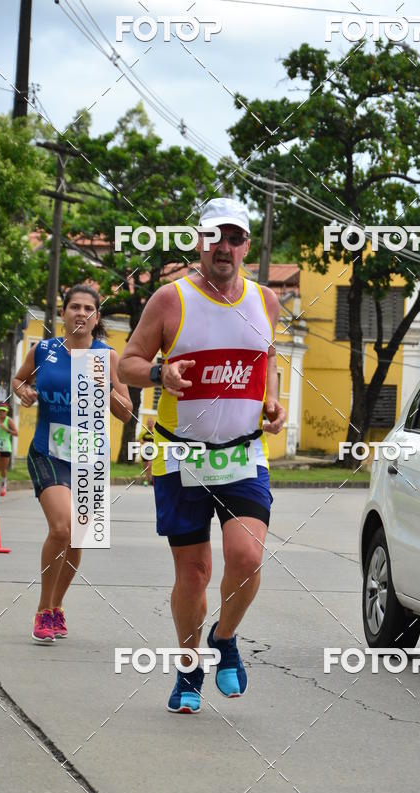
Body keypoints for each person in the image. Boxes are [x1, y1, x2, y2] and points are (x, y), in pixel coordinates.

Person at [119, 198, 286, 714]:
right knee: (193, 572)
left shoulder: (266, 302)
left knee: (248, 557)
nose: (226, 248)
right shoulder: (171, 300)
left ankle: (226, 636)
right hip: (180, 454)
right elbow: (125, 363)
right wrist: (157, 374)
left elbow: (268, 360)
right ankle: (188, 669)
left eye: (236, 239)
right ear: (200, 241)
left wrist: (272, 399)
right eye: (217, 237)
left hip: (240, 455)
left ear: (245, 247)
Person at [13, 284, 133, 643]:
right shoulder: (44, 351)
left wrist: (109, 392)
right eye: (74, 307)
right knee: (63, 528)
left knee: (79, 539)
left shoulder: (108, 357)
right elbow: (19, 381)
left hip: (89, 457)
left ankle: (56, 606)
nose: (81, 313)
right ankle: (42, 609)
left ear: (97, 318)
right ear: (63, 314)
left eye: (89, 309)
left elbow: (126, 412)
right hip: (47, 451)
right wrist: (25, 393)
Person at [0, 405, 18, 496]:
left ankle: (4, 484)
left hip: (5, 446)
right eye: (0, 411)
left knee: (3, 468)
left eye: (4, 411)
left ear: (7, 411)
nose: (2, 413)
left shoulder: (9, 421)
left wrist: (6, 429)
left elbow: (16, 433)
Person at [138, 416, 156, 485]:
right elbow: (139, 439)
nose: (150, 424)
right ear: (147, 423)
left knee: (149, 465)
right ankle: (150, 477)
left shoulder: (155, 432)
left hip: (153, 451)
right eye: (149, 422)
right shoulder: (143, 432)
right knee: (145, 467)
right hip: (144, 452)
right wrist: (143, 442)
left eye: (151, 422)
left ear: (153, 424)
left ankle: (146, 481)